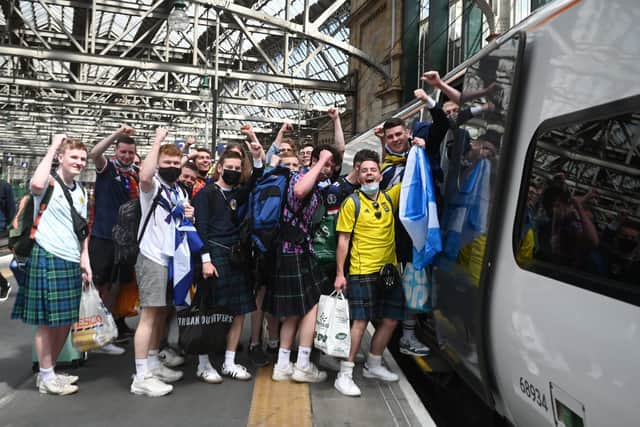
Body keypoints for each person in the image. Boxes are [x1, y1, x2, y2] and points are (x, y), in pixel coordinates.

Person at [11, 134, 91, 395]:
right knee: (47, 321)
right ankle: (45, 377)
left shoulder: (80, 190)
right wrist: (54, 146)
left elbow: (83, 228)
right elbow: (34, 184)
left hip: (70, 257)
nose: (79, 162)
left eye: (82, 159)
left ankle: (51, 370)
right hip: (47, 255)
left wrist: (85, 257)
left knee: (65, 320)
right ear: (61, 158)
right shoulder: (49, 183)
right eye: (74, 157)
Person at [265, 145, 341, 383]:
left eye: (330, 165)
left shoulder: (318, 187)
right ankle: (303, 364)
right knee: (313, 305)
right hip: (294, 250)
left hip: (295, 251)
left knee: (294, 311)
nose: (327, 168)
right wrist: (320, 162)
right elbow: (298, 192)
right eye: (324, 162)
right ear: (315, 161)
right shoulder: (300, 177)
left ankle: (283, 364)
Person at [333, 155, 405, 396]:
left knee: (392, 318)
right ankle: (345, 373)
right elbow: (343, 241)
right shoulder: (351, 203)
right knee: (360, 323)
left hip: (389, 272)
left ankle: (373, 364)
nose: (370, 174)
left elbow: (414, 179)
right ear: (358, 175)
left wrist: (418, 149)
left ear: (381, 176)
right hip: (362, 271)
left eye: (374, 170)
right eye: (365, 171)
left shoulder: (389, 197)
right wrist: (340, 274)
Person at [130, 128, 195, 397]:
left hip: (171, 259)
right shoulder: (153, 185)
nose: (171, 167)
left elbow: (185, 222)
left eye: (175, 164)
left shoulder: (177, 190)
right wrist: (157, 141)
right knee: (148, 316)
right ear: (158, 163)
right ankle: (141, 375)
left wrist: (189, 212)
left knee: (159, 313)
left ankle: (154, 362)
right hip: (152, 256)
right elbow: (144, 175)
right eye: (166, 163)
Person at [193, 151, 257, 382]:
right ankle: (203, 364)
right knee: (211, 312)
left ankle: (229, 362)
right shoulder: (206, 194)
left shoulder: (237, 193)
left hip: (235, 256)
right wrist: (206, 259)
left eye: (237, 168)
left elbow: (254, 180)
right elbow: (200, 229)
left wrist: (258, 158)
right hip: (214, 255)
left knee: (239, 312)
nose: (233, 171)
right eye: (229, 166)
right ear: (219, 167)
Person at [377, 117, 432, 357]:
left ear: (406, 133)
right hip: (389, 240)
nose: (395, 139)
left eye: (398, 134)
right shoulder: (384, 169)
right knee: (389, 285)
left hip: (413, 239)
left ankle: (407, 335)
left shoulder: (420, 157)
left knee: (414, 286)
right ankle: (385, 332)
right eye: (390, 137)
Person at [88, 125, 138, 354]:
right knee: (98, 287)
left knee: (114, 288)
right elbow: (94, 154)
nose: (126, 156)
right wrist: (116, 134)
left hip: (125, 242)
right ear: (116, 152)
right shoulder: (107, 169)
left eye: (130, 152)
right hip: (103, 238)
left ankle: (103, 334)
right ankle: (87, 334)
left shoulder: (134, 175)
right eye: (122, 152)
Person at [0, 167, 16, 301]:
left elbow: (11, 210)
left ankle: (4, 284)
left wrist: (13, 232)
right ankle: (3, 284)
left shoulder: (5, 187)